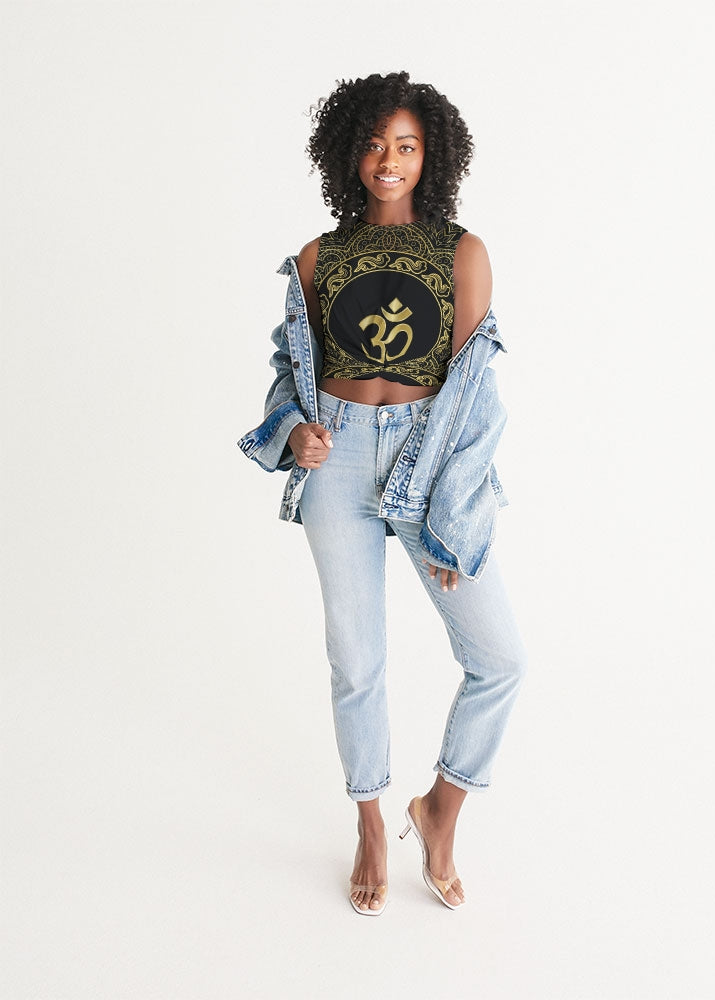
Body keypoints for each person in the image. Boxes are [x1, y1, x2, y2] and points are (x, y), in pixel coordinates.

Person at [238, 71, 526, 915]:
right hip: (336, 462)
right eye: (373, 145)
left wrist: (454, 514)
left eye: (405, 145)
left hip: (426, 463)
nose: (388, 160)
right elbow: (289, 369)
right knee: (356, 659)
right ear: (348, 154)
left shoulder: (463, 253)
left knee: (500, 659)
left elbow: (471, 396)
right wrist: (295, 428)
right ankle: (369, 821)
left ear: (431, 154)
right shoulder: (316, 259)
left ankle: (440, 809)